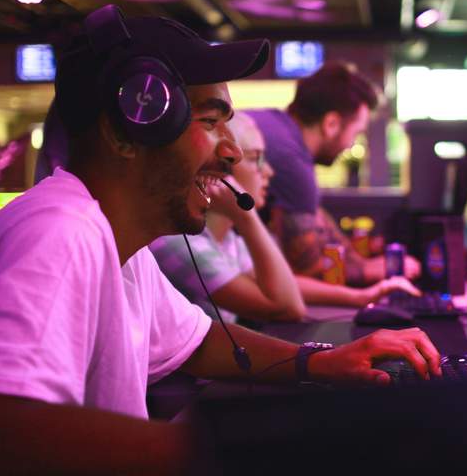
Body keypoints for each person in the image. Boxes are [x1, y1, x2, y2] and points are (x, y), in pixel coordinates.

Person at [0, 5, 441, 475]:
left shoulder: (121, 245)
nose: (233, 152)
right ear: (127, 130)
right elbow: (2, 431)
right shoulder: (61, 232)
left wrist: (325, 362)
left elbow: (200, 342)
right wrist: (253, 445)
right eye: (209, 122)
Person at [151, 112, 420, 324]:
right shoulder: (176, 243)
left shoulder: (227, 240)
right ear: (222, 169)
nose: (268, 171)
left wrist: (360, 297)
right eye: (256, 158)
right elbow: (286, 307)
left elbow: (287, 286)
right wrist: (247, 218)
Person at [246, 63, 421, 285]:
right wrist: (369, 270)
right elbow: (308, 269)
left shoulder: (276, 129)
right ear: (331, 124)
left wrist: (359, 260)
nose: (352, 145)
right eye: (356, 133)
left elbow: (314, 214)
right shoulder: (290, 159)